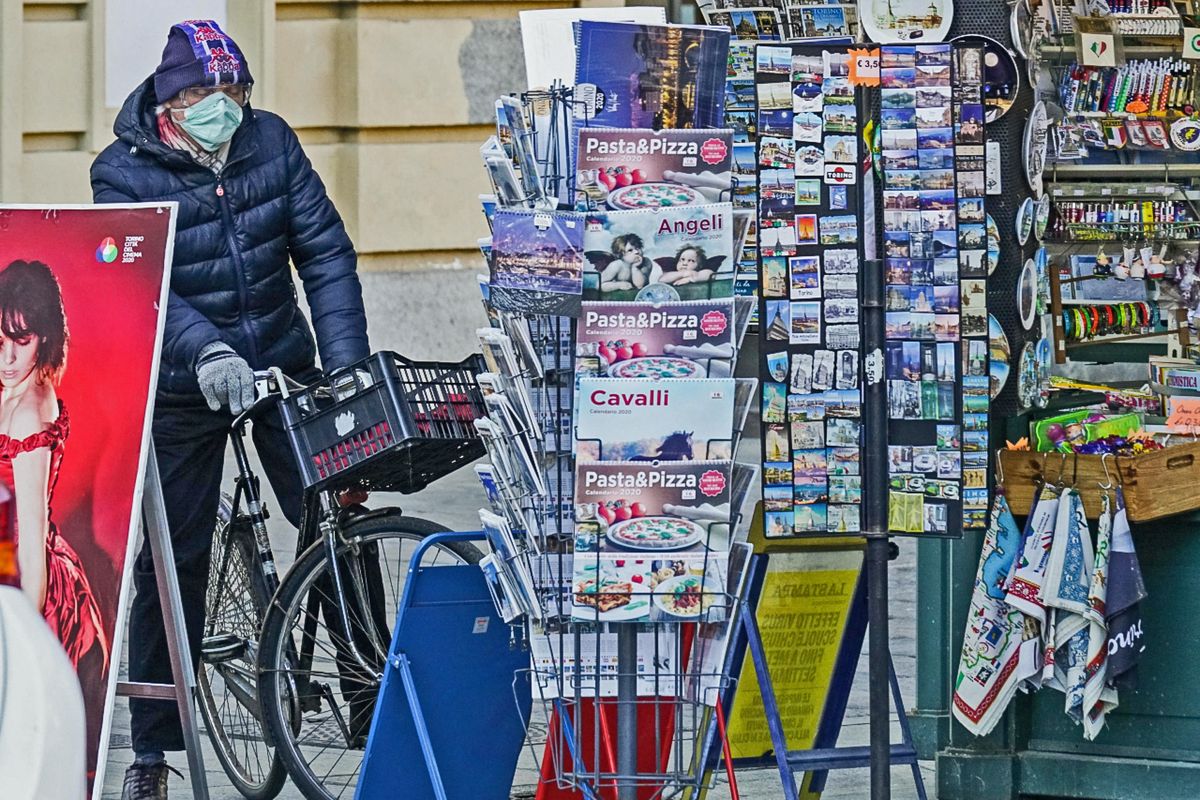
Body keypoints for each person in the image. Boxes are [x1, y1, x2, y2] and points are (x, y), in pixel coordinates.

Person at [90, 20, 369, 800]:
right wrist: (208, 353)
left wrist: (342, 370)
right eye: (206, 93)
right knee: (173, 562)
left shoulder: (271, 143)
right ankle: (154, 749)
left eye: (235, 91)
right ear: (170, 100)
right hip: (188, 383)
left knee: (339, 519)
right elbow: (147, 286)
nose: (224, 105)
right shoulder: (120, 173)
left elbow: (324, 254)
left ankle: (367, 697)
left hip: (282, 361)